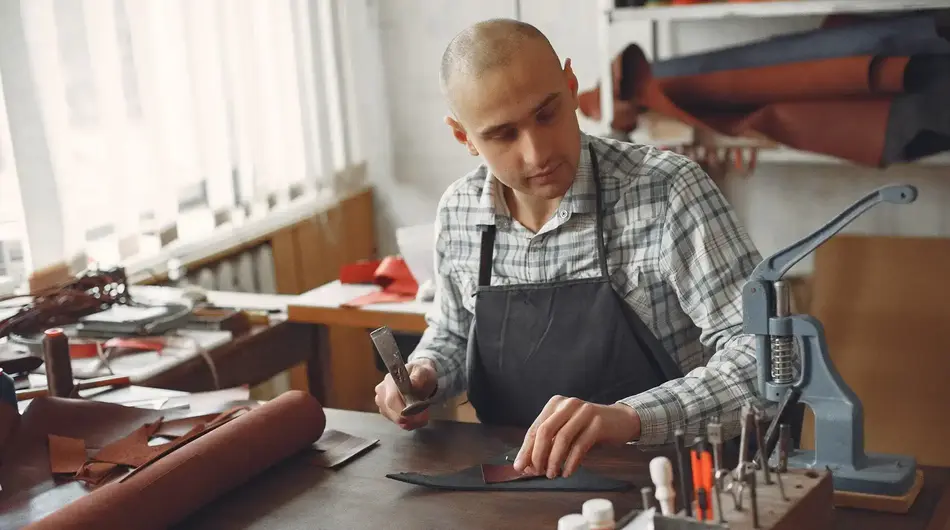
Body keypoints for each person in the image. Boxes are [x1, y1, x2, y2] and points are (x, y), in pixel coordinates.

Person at [374, 18, 764, 481]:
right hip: (516, 483)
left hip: (670, 482)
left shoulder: (666, 191)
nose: (538, 153)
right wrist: (424, 374)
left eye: (547, 114)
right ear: (464, 137)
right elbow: (455, 333)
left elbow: (764, 352)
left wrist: (630, 418)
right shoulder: (460, 210)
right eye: (503, 135)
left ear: (572, 86)